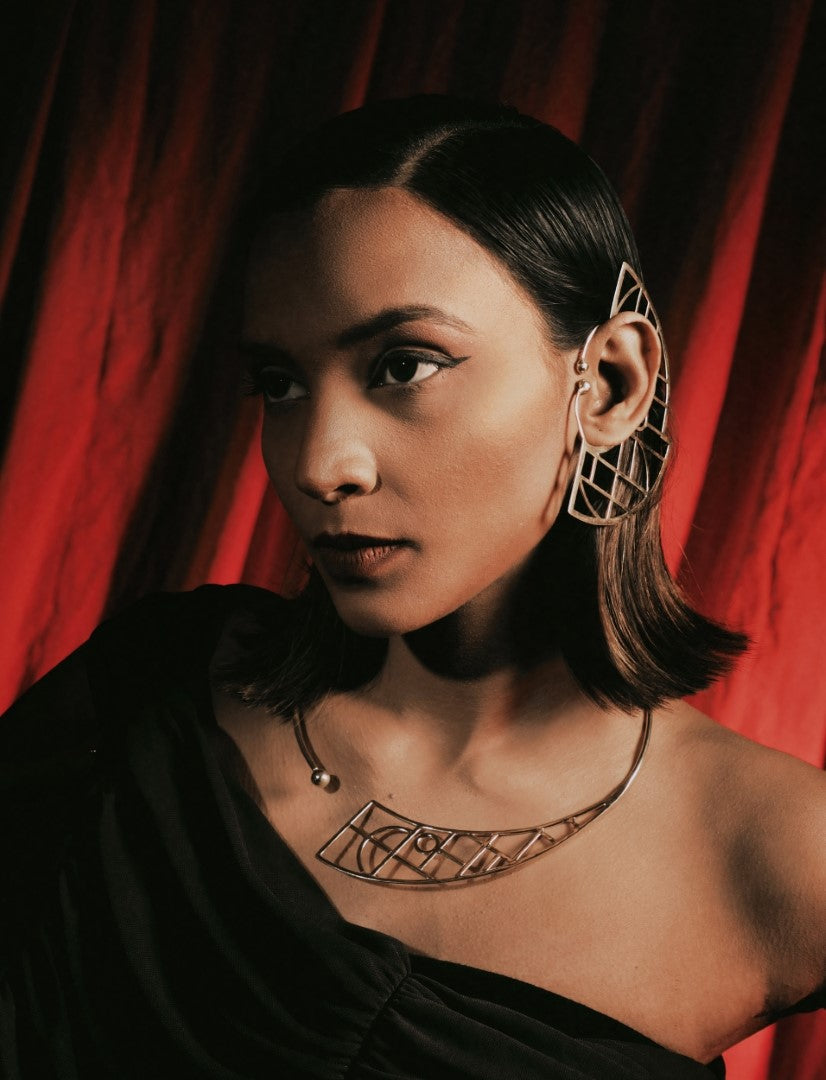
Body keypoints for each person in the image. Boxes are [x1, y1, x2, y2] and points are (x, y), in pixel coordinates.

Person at [1, 95, 823, 1079]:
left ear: (607, 384)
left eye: (402, 365)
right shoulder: (166, 683)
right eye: (280, 382)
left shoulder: (777, 849)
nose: (319, 464)